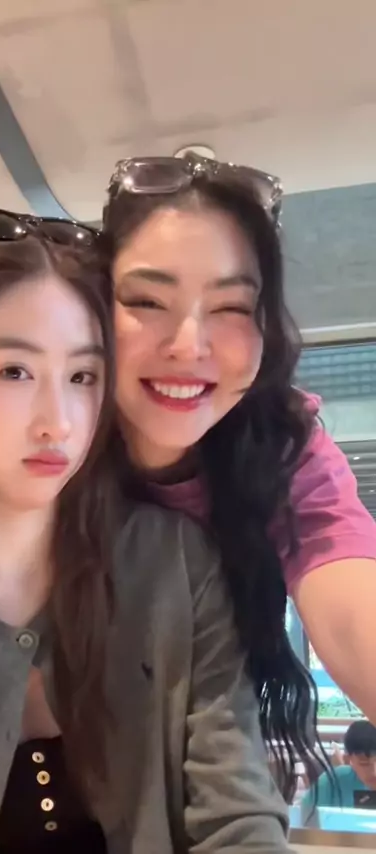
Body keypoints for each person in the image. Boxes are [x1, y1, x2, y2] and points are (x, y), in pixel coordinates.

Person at [0, 205, 291, 853]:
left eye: (82, 376)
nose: (59, 421)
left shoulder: (172, 563)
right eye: (15, 371)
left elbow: (237, 810)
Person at [102, 153, 376, 797]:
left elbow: (347, 600)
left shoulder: (282, 444)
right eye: (146, 300)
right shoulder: (42, 436)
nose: (189, 345)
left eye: (231, 307)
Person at [302, 721, 376, 808]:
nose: (374, 772)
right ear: (348, 759)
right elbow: (304, 812)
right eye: (364, 763)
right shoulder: (332, 782)